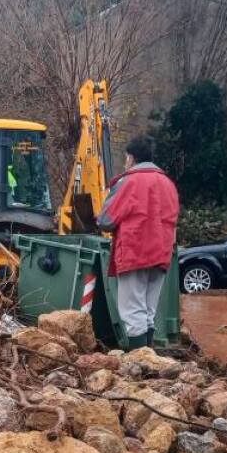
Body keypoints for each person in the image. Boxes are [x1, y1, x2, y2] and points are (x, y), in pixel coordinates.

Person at [97, 135, 179, 349]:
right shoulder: (168, 183)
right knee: (148, 311)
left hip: (135, 252)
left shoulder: (128, 182)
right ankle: (149, 360)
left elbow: (106, 221)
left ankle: (140, 365)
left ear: (131, 158)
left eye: (126, 158)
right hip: (161, 254)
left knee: (132, 311)